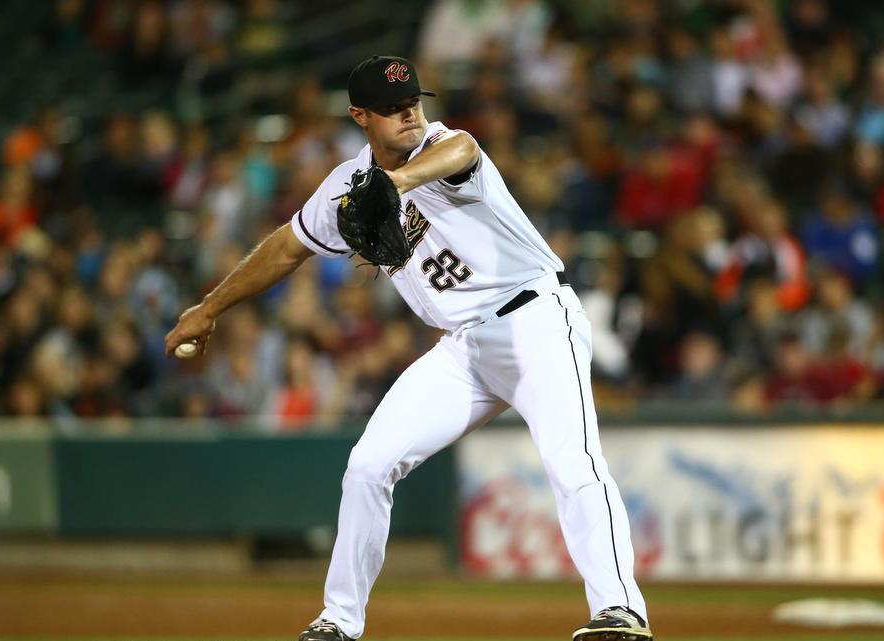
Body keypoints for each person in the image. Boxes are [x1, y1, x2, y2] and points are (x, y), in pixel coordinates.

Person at [164, 56, 652, 641]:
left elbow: (465, 149)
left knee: (572, 462)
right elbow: (286, 248)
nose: (410, 115)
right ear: (360, 116)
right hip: (463, 349)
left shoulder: (441, 148)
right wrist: (209, 307)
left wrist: (392, 185)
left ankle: (621, 612)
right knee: (369, 465)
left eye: (414, 103)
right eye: (394, 110)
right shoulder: (344, 187)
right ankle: (338, 623)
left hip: (535, 322)